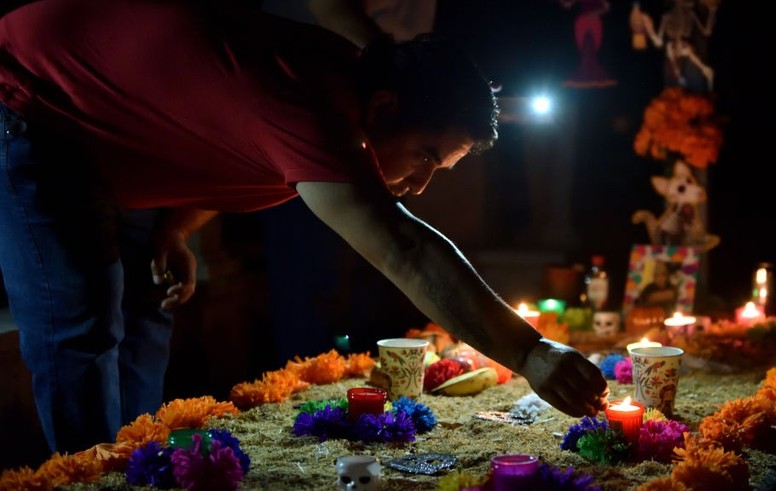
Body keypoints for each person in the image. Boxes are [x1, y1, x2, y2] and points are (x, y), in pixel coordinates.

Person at [0, 0, 609, 454]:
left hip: (113, 130)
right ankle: (84, 475)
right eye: (426, 155)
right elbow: (406, 250)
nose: (422, 183)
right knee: (81, 324)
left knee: (142, 315)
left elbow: (232, 142)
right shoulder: (316, 107)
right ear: (386, 109)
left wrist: (178, 227)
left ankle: (133, 464)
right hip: (36, 102)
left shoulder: (352, 89)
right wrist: (531, 352)